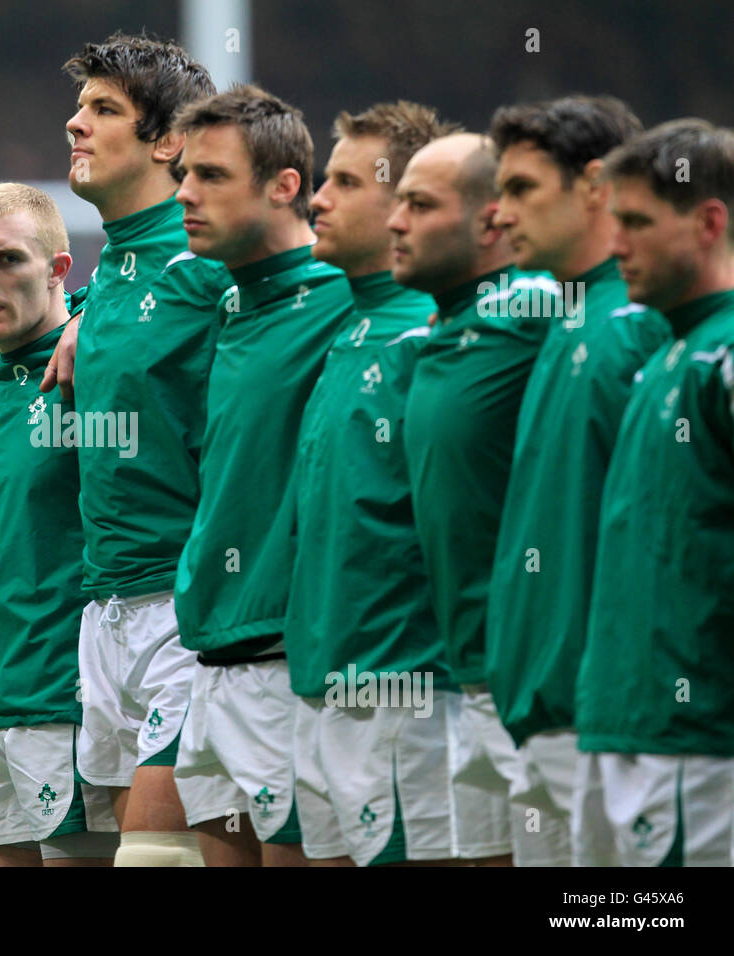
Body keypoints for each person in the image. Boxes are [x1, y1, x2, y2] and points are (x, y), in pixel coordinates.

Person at [45, 32, 230, 866]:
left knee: (156, 858)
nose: (75, 123)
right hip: (104, 611)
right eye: (80, 106)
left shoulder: (212, 265)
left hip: (188, 610)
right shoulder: (112, 274)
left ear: (169, 141)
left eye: (104, 109)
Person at [171, 85, 355, 867]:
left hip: (289, 659)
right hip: (210, 652)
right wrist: (75, 316)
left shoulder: (351, 296)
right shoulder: (228, 300)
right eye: (184, 173)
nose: (186, 193)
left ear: (285, 186)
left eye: (211, 175)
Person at [484, 97, 669, 866]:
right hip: (546, 711)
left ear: (595, 186)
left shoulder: (643, 323)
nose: (500, 213)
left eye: (522, 189)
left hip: (618, 717)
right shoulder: (566, 314)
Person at [285, 102, 462, 866]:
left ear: (404, 207)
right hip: (320, 684)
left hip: (400, 693)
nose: (319, 198)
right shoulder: (350, 325)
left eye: (346, 183)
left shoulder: (432, 337)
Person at [575, 119, 734, 866]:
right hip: (624, 726)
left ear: (708, 223)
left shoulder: (724, 356)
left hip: (701, 745)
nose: (615, 245)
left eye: (636, 223)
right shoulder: (667, 353)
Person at [393, 133, 555, 864]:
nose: (396, 220)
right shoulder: (445, 323)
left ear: (491, 222)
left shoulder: (538, 306)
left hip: (540, 680)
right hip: (469, 678)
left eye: (420, 205)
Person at [0, 182, 119, 866]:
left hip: (66, 703)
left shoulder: (95, 365)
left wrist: (94, 312)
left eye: (7, 260)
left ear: (59, 270)